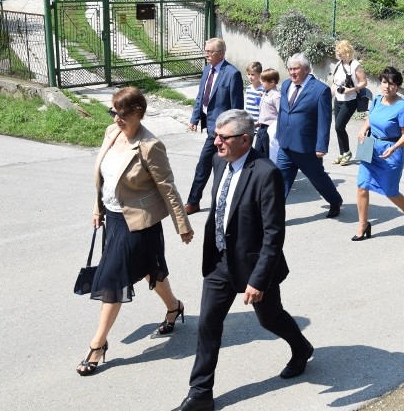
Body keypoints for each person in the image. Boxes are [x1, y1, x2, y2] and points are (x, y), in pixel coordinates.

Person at [173, 110, 313, 411]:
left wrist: (258, 279)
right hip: (220, 262)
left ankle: (301, 348)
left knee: (270, 318)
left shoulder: (266, 173)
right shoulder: (218, 161)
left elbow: (274, 234)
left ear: (245, 140)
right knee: (208, 325)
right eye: (215, 135)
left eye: (223, 137)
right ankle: (200, 394)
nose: (216, 142)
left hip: (254, 265)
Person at [77, 87, 194, 376]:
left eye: (121, 113)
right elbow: (105, 178)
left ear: (138, 113)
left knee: (113, 279)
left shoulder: (150, 145)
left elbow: (167, 186)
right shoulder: (111, 132)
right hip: (115, 219)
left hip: (139, 222)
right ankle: (174, 306)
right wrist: (97, 208)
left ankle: (98, 344)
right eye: (113, 111)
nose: (115, 118)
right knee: (148, 269)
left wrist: (182, 225)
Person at [351, 67, 404, 240]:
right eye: (384, 82)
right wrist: (363, 129)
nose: (387, 86)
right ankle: (363, 224)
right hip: (370, 145)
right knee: (361, 186)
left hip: (390, 151)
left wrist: (394, 147)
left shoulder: (402, 107)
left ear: (397, 86)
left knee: (391, 192)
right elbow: (370, 118)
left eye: (391, 83)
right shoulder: (377, 99)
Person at [276, 53, 344, 217]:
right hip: (285, 145)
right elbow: (283, 111)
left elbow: (324, 120)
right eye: (290, 69)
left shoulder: (320, 90)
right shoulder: (286, 85)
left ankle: (335, 201)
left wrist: (321, 146)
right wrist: (279, 133)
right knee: (278, 182)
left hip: (306, 147)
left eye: (296, 69)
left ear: (306, 69)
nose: (292, 72)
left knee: (318, 178)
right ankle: (274, 216)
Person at [186, 39, 244, 215]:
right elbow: (200, 97)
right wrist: (195, 118)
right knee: (203, 166)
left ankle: (231, 202)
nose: (206, 54)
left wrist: (234, 132)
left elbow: (236, 108)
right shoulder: (206, 70)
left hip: (224, 131)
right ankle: (193, 202)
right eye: (206, 51)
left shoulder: (232, 74)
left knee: (224, 167)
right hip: (211, 128)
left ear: (221, 53)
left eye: (210, 52)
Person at [329, 40, 368, 165]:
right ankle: (342, 154)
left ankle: (347, 152)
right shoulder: (338, 65)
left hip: (350, 100)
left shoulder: (355, 65)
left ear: (347, 51)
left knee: (339, 126)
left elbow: (363, 82)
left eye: (341, 52)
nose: (339, 55)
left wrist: (351, 89)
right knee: (338, 127)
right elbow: (334, 84)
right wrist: (327, 97)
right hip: (338, 99)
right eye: (338, 53)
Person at [254, 68, 281, 161]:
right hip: (261, 128)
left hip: (269, 129)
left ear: (272, 82)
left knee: (268, 153)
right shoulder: (265, 93)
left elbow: (280, 113)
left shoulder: (276, 96)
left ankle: (270, 173)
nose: (261, 84)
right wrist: (258, 122)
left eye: (263, 82)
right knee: (257, 151)